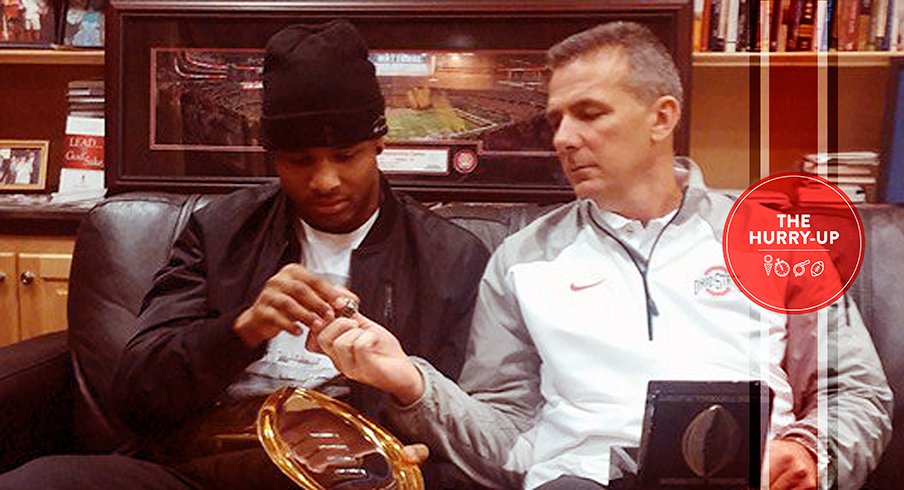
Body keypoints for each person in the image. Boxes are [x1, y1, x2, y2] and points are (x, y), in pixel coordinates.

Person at [309, 22, 894, 490]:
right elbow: (509, 441)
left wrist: (811, 452)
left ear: (662, 117)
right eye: (556, 119)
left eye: (589, 114)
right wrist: (411, 381)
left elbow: (857, 393)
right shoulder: (523, 259)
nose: (563, 138)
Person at [0, 19, 488, 489]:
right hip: (196, 466)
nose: (324, 181)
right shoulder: (219, 229)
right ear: (271, 156)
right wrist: (243, 328)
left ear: (379, 144)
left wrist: (417, 457)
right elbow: (137, 393)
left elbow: (472, 423)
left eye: (345, 156)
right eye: (299, 161)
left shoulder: (449, 258)